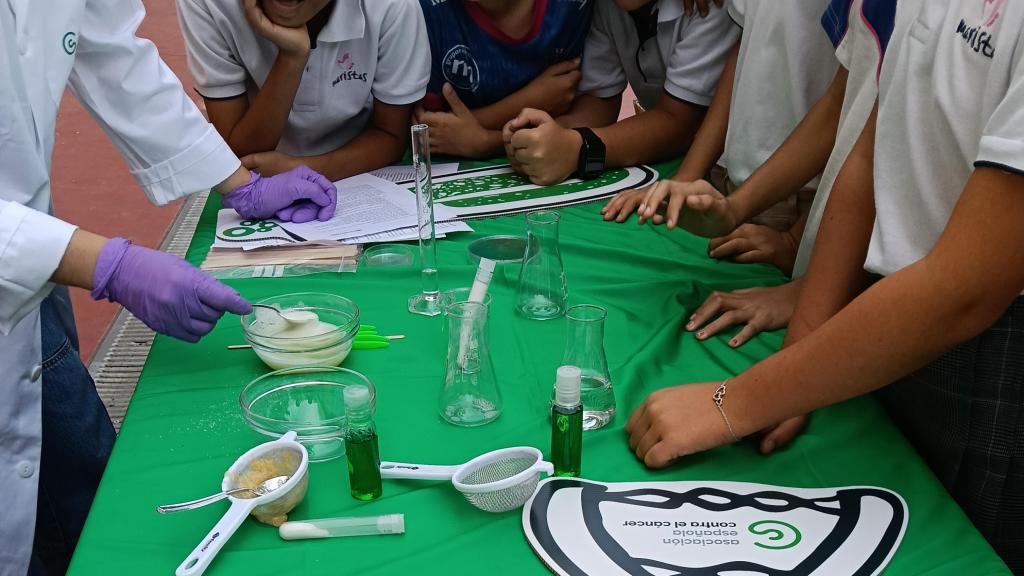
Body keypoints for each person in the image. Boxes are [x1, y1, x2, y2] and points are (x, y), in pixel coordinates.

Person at [625, 0, 1023, 570]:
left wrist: (737, 401)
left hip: (989, 352)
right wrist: (795, 366)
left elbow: (968, 287)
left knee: (957, 550)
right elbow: (870, 152)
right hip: (885, 320)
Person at [0, 2, 339, 574]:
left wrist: (237, 182)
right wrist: (106, 265)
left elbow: (115, 56)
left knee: (84, 481)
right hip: (25, 246)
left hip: (28, 258)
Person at [605, 0, 888, 358]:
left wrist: (796, 243)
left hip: (815, 209)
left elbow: (864, 115)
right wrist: (705, 186)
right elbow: (747, 50)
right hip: (744, 186)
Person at [603, 0, 839, 275]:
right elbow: (742, 52)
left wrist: (795, 239)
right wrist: (686, 177)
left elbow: (852, 105)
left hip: (804, 203)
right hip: (727, 182)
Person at [176, 0, 430, 180]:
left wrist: (304, 170)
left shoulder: (392, 6)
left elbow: (391, 135)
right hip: (257, 175)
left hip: (360, 173)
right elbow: (242, 155)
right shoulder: (207, 4)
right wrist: (292, 57)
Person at [503, 0, 739, 186]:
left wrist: (578, 148)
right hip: (687, 165)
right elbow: (599, 102)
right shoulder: (604, 6)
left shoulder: (710, 5)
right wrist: (543, 136)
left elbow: (679, 123)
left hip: (733, 169)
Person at [413, 0, 593, 159]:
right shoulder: (428, 11)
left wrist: (487, 142)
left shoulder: (571, 7)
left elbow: (595, 109)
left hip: (550, 159)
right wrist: (532, 100)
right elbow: (427, 131)